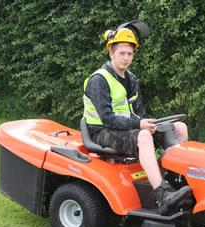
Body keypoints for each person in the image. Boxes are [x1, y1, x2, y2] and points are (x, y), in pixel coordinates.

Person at [82, 22, 192, 215]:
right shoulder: (99, 80)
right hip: (102, 131)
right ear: (111, 54)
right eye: (122, 53)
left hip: (126, 128)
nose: (126, 58)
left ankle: (177, 181)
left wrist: (148, 124)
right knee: (143, 136)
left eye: (129, 54)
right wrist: (139, 125)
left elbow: (139, 113)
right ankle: (162, 196)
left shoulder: (131, 79)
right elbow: (107, 118)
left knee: (179, 128)